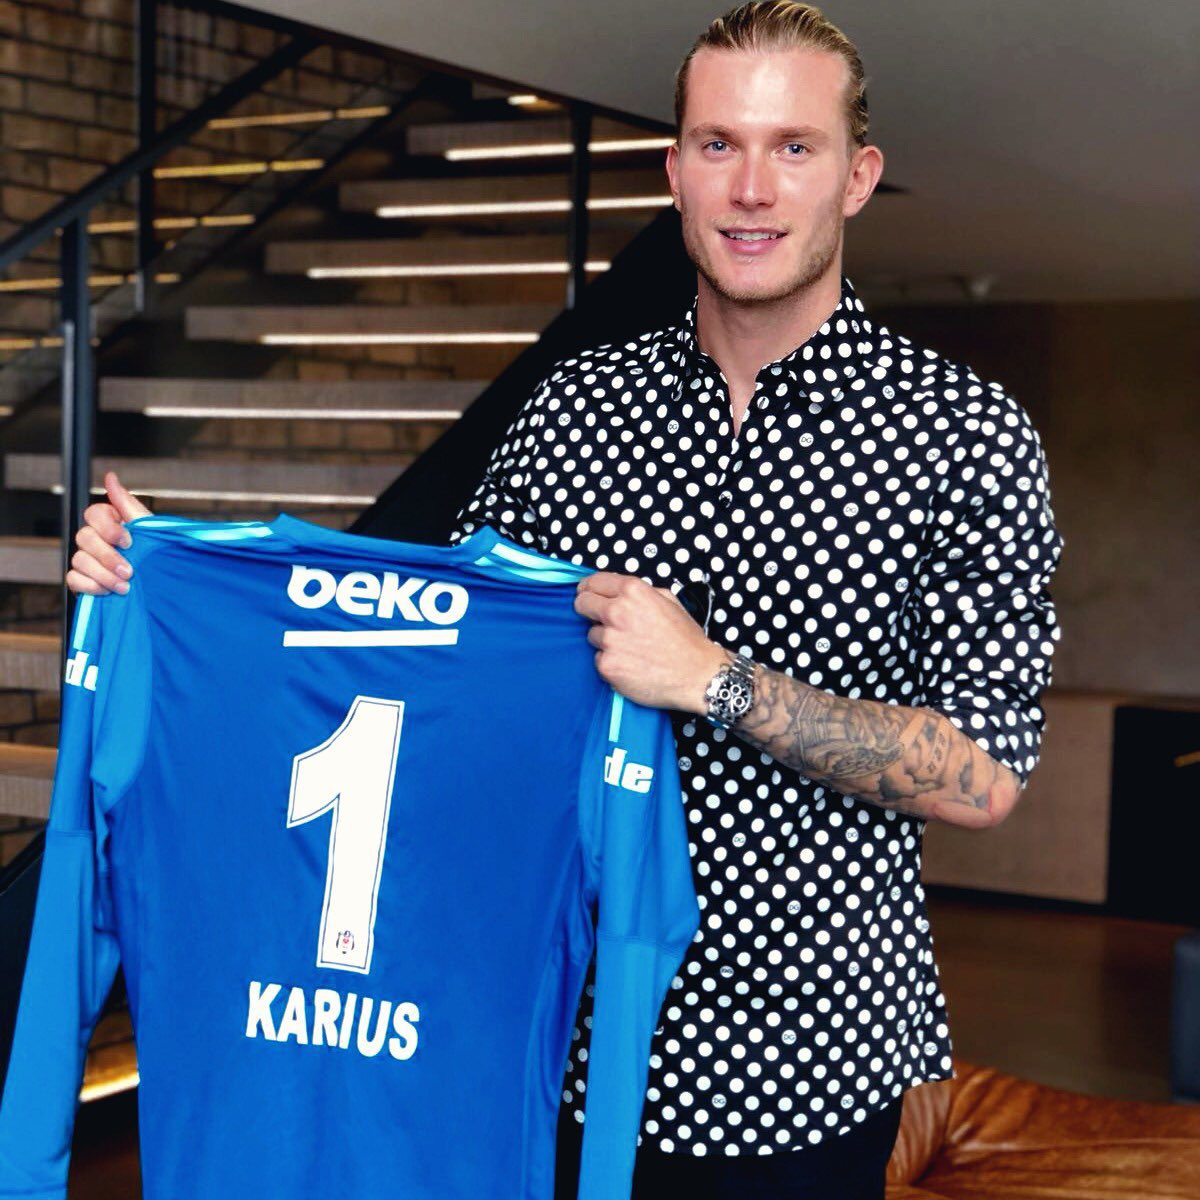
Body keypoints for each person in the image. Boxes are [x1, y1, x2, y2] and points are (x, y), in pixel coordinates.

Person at [65, 2, 1064, 1196]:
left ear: (857, 176)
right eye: (718, 145)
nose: (752, 188)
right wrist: (171, 579)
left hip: (801, 1072)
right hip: (535, 1042)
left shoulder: (965, 437)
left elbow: (983, 775)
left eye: (793, 147)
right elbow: (426, 647)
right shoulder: (571, 412)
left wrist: (715, 681)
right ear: (675, 172)